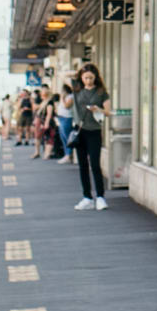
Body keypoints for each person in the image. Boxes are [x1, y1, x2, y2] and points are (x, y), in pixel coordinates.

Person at [62, 64, 113, 209]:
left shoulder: (101, 92)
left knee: (95, 165)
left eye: (91, 77)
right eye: (85, 78)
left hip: (94, 131)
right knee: (83, 165)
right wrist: (77, 73)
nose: (88, 81)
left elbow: (108, 112)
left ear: (96, 77)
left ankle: (101, 197)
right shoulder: (77, 89)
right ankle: (87, 197)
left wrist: (99, 109)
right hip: (80, 131)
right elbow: (63, 75)